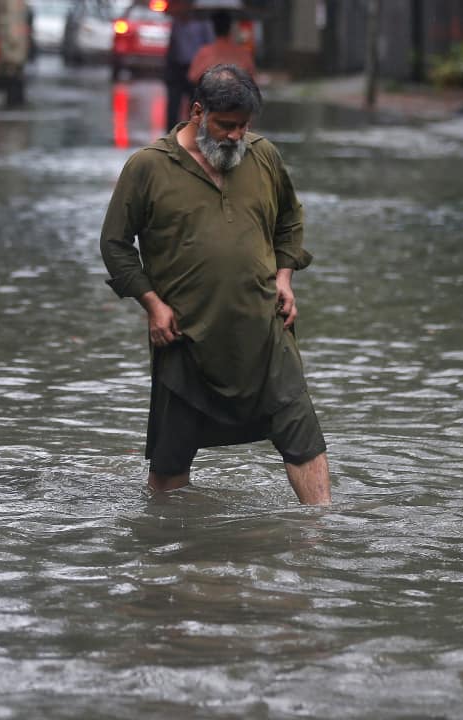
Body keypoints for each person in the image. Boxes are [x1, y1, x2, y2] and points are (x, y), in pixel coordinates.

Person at [99, 64, 331, 505]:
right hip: (185, 335)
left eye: (244, 126)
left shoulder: (262, 155)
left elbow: (290, 218)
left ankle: (320, 538)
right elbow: (115, 245)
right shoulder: (148, 167)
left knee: (303, 433)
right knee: (169, 470)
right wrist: (153, 305)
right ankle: (174, 550)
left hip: (264, 327)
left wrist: (285, 277)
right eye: (226, 125)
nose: (235, 136)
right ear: (197, 112)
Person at [163, 2, 213, 130]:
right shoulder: (177, 22)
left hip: (195, 69)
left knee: (194, 106)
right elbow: (172, 45)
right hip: (177, 69)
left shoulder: (202, 22)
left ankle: (192, 135)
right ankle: (171, 137)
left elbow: (208, 45)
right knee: (173, 106)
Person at [186, 10, 255, 86]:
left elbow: (192, 76)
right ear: (229, 28)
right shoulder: (243, 52)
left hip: (210, 95)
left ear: (214, 29)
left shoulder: (205, 52)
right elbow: (251, 77)